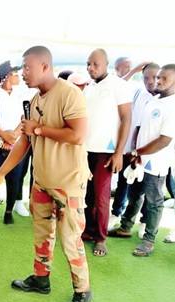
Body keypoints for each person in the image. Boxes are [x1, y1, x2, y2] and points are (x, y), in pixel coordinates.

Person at [0, 46, 92, 302]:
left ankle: (82, 290)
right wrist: (1, 173)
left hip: (68, 184)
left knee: (70, 239)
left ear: (45, 66)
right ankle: (41, 279)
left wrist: (40, 129)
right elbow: (25, 141)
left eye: (27, 68)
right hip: (41, 182)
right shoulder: (33, 100)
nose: (23, 73)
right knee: (43, 235)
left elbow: (78, 135)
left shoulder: (70, 94)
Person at [108, 64, 175, 257]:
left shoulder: (172, 106)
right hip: (139, 159)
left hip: (156, 163)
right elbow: (139, 127)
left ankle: (148, 240)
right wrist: (135, 151)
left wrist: (139, 152)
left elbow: (164, 140)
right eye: (158, 77)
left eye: (164, 79)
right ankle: (126, 227)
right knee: (134, 195)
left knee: (154, 202)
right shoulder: (154, 99)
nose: (158, 81)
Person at [83, 48, 132, 257]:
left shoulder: (119, 85)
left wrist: (119, 152)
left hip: (106, 151)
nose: (91, 68)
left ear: (106, 64)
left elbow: (126, 119)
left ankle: (101, 238)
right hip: (85, 150)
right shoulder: (88, 88)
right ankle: (88, 230)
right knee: (87, 195)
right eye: (88, 64)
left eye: (95, 64)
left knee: (102, 197)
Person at [109, 63, 160, 236]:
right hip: (131, 151)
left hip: (154, 156)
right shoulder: (137, 92)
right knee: (129, 188)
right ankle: (121, 220)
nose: (150, 81)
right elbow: (117, 86)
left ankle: (145, 226)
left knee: (151, 194)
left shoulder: (165, 99)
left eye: (155, 77)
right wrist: (134, 70)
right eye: (146, 77)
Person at [0, 60, 28, 223]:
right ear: (7, 76)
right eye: (16, 74)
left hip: (16, 145)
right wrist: (4, 135)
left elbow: (25, 118)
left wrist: (13, 136)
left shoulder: (21, 94)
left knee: (14, 179)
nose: (19, 77)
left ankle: (8, 212)